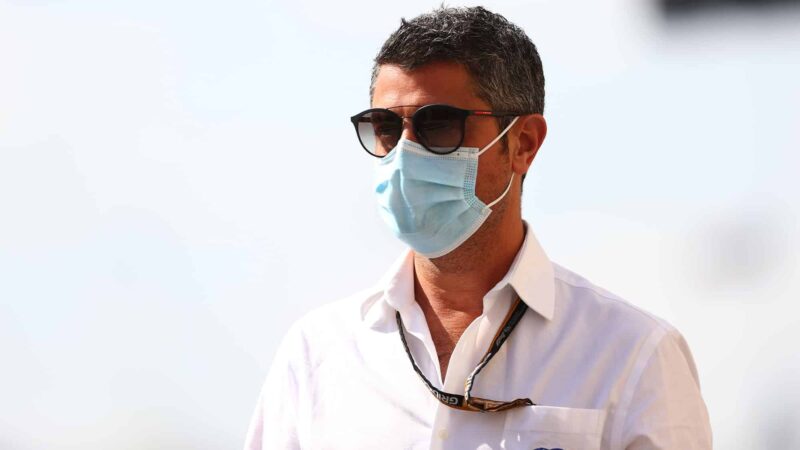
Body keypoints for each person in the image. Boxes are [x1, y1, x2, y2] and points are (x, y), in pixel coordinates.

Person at [244, 6, 712, 450]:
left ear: (523, 143)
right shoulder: (317, 353)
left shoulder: (633, 354)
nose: (405, 153)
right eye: (385, 127)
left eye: (438, 125)